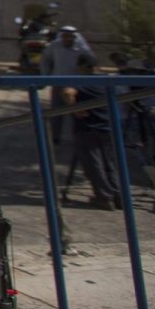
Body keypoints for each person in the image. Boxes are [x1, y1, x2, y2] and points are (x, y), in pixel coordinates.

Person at [59, 55, 124, 207]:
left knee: (94, 164)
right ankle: (119, 196)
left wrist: (75, 110)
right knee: (111, 164)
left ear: (84, 66)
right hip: (109, 126)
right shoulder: (108, 81)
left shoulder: (81, 80)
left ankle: (104, 197)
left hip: (88, 127)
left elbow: (67, 93)